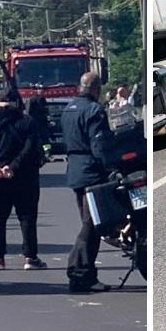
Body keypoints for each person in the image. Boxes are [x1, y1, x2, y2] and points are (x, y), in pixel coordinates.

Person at [60, 71, 116, 293]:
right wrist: (110, 166)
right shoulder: (94, 110)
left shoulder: (68, 109)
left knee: (89, 222)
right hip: (91, 170)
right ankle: (79, 272)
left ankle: (86, 274)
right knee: (92, 224)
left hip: (75, 170)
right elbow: (99, 145)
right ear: (96, 89)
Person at [0, 88, 46, 271]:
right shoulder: (26, 122)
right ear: (17, 103)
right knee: (26, 217)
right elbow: (30, 148)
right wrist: (13, 166)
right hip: (24, 176)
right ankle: (30, 258)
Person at [26, 94, 54, 164]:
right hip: (38, 124)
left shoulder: (34, 102)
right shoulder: (33, 102)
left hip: (40, 124)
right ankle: (45, 154)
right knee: (43, 141)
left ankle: (45, 154)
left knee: (43, 141)